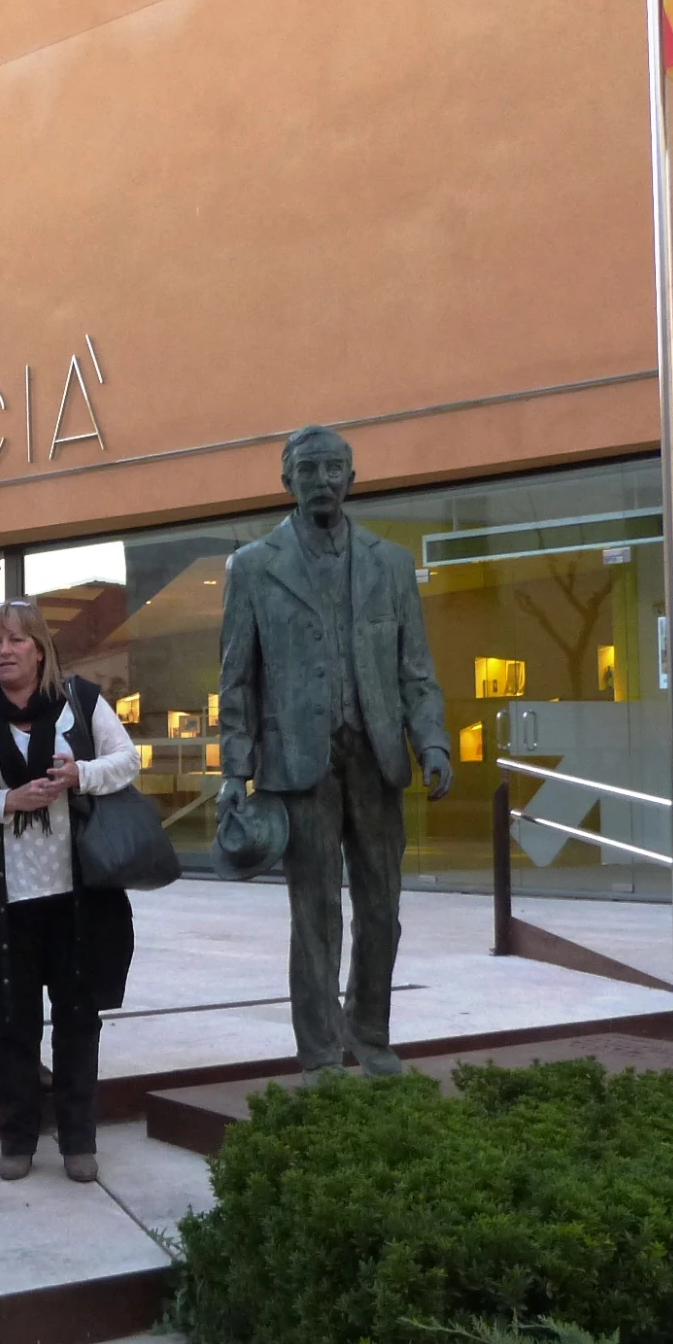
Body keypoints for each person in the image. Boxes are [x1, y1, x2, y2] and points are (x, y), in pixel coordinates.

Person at [216, 425, 452, 1078]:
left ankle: (370, 1036)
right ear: (287, 481)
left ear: (351, 479)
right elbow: (236, 678)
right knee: (315, 915)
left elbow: (416, 670)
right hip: (298, 765)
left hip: (377, 759)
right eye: (310, 469)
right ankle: (319, 1052)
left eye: (334, 469)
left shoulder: (392, 564)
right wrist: (235, 769)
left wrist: (431, 740)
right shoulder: (256, 567)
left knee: (383, 907)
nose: (323, 480)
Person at [0, 600, 140, 1182]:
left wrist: (81, 775)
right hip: (4, 898)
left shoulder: (82, 701)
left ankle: (78, 1139)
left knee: (78, 1020)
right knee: (13, 1023)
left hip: (78, 893)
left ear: (40, 649)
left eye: (16, 640)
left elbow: (126, 760)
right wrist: (6, 802)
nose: (3, 651)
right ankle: (18, 1138)